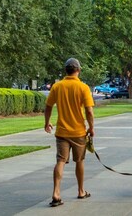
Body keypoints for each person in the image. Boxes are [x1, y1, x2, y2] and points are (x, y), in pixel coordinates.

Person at [44, 58, 95, 207]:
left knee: (60, 161)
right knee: (79, 161)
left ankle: (56, 193)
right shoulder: (83, 87)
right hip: (78, 132)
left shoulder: (57, 86)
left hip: (62, 132)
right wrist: (91, 128)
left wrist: (47, 122)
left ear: (66, 70)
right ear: (78, 70)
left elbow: (48, 106)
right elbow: (89, 111)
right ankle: (81, 191)